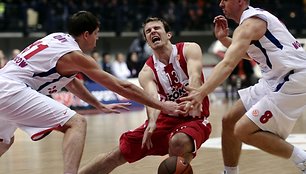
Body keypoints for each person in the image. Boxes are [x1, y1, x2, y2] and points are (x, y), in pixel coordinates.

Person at [0, 11, 179, 174]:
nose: (97, 38)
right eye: (96, 33)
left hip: (5, 85)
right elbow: (122, 86)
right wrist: (162, 105)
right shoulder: (76, 56)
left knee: (5, 141)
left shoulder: (57, 38)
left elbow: (72, 83)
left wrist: (98, 104)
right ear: (86, 35)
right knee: (77, 123)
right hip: (12, 90)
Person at [180, 1, 306, 174]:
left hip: (292, 78)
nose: (220, 3)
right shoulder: (252, 21)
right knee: (229, 120)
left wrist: (201, 92)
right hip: (275, 78)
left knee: (243, 130)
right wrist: (224, 40)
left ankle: (303, 159)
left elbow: (228, 63)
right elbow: (254, 54)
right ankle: (230, 172)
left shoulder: (250, 24)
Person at [78, 17, 212, 174]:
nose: (152, 32)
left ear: (168, 34)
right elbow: (152, 99)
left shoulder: (189, 49)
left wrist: (194, 98)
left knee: (178, 142)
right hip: (166, 118)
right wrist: (152, 122)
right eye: (148, 31)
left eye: (156, 28)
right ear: (147, 41)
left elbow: (195, 76)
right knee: (116, 154)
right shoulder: (147, 71)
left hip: (194, 117)